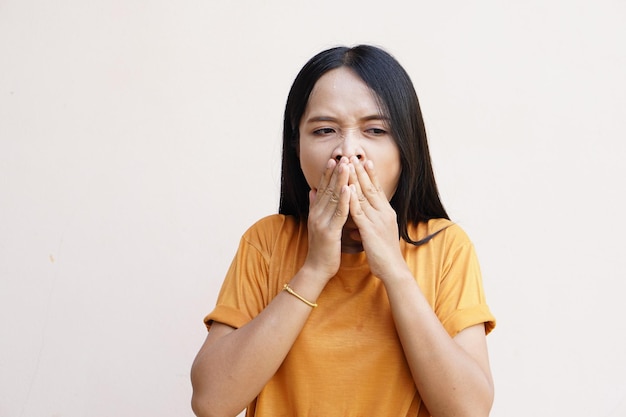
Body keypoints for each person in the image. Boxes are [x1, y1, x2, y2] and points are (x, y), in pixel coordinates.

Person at [191, 44, 496, 417]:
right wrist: (315, 268)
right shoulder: (266, 242)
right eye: (324, 130)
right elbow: (211, 402)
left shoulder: (445, 246)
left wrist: (395, 270)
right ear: (296, 146)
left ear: (405, 147)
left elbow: (468, 411)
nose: (348, 151)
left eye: (375, 130)